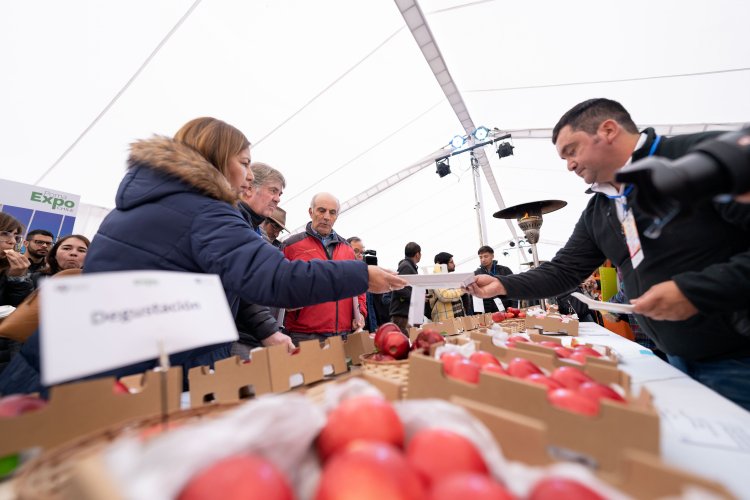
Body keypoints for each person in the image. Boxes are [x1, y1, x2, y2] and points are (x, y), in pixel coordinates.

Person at [0, 117, 405, 395]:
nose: (249, 176)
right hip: (113, 381)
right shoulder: (204, 211)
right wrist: (360, 275)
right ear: (215, 159)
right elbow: (275, 279)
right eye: (244, 163)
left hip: (67, 363)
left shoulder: (140, 204)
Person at [467, 98, 750, 410]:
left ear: (609, 130)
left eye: (572, 150)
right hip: (674, 358)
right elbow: (564, 270)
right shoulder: (600, 210)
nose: (569, 165)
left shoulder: (703, 160)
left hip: (737, 357)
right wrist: (504, 285)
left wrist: (696, 292)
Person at [281, 193, 366, 344]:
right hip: (303, 336)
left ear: (336, 216)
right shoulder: (291, 246)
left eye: (332, 212)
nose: (326, 216)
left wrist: (361, 314)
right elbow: (276, 285)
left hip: (343, 335)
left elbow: (359, 287)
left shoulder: (347, 249)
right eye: (321, 210)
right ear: (311, 212)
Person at [232, 163, 294, 357]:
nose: (277, 199)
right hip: (238, 337)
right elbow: (243, 286)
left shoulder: (259, 235)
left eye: (280, 194)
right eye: (273, 191)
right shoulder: (233, 225)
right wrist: (269, 330)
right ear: (250, 188)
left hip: (254, 334)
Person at [0, 214, 33, 375]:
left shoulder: (9, 270)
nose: (12, 241)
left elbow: (22, 309)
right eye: (5, 233)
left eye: (15, 236)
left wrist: (18, 277)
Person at [389, 242, 421, 334]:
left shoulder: (409, 266)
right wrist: (416, 297)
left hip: (406, 313)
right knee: (402, 341)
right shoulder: (406, 266)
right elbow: (399, 287)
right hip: (402, 314)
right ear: (417, 254)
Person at [428, 252, 466, 322]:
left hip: (457, 320)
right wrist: (462, 290)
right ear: (443, 265)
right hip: (444, 322)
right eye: (451, 262)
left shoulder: (450, 277)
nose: (454, 264)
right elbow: (444, 296)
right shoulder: (434, 278)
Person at [474, 245, 514, 312]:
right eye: (480, 257)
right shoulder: (476, 274)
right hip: (487, 311)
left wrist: (514, 307)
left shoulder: (504, 270)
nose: (483, 259)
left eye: (486, 256)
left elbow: (513, 288)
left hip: (506, 308)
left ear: (492, 256)